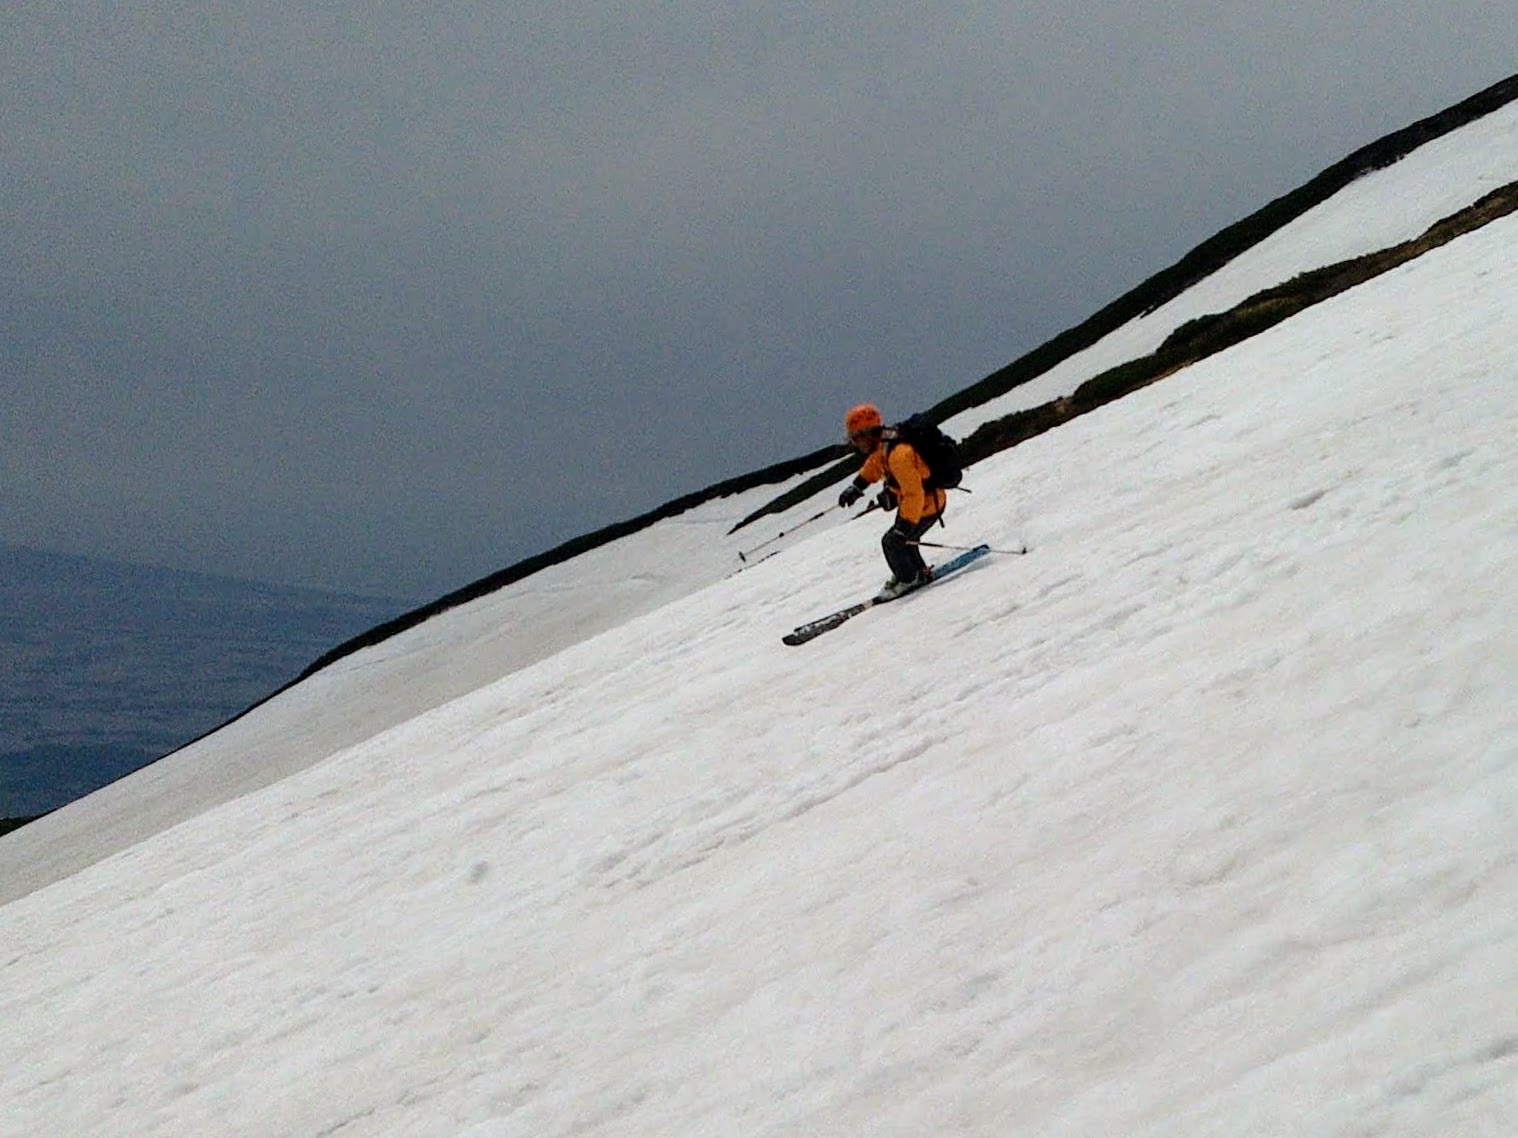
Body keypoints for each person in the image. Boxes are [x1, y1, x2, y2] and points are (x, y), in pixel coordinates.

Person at [837, 403, 947, 599]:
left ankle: (907, 579)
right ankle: (918, 573)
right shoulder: (885, 444)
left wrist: (904, 526)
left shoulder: (898, 455)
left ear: (867, 433)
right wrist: (857, 487)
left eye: (855, 438)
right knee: (906, 542)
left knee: (892, 542)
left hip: (926, 505)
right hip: (919, 506)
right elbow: (873, 465)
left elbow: (914, 493)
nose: (855, 443)